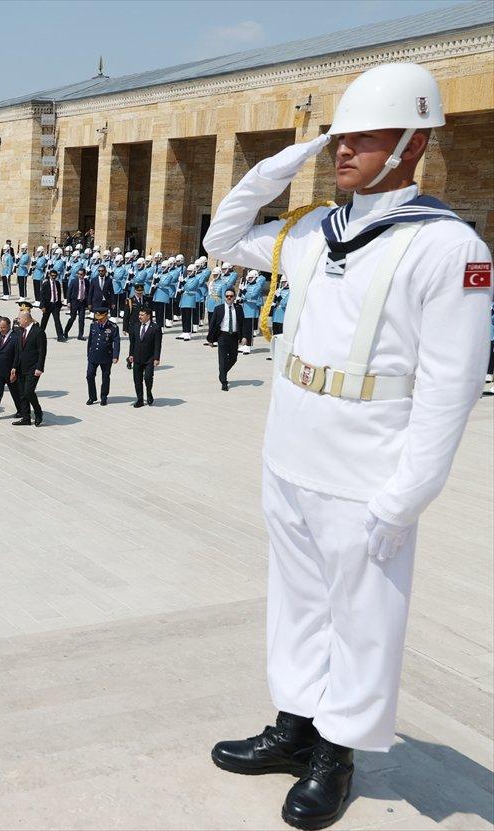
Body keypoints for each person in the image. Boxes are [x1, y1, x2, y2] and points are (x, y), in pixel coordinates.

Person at [203, 62, 492, 831]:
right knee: (296, 603)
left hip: (368, 465)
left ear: (411, 144)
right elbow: (221, 235)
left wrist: (409, 494)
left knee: (362, 619)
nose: (344, 151)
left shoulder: (445, 247)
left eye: (361, 138)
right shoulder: (310, 232)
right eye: (340, 137)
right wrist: (294, 155)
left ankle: (338, 749)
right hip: (293, 451)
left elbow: (449, 385)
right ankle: (295, 725)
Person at [11, 308, 46, 426]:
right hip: (21, 368)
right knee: (22, 394)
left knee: (28, 392)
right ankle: (26, 418)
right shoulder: (21, 331)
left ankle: (38, 412)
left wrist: (39, 368)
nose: (18, 320)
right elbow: (18, 351)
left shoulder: (38, 332)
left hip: (33, 368)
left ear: (26, 319)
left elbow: (42, 352)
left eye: (19, 318)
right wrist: (14, 367)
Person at [207, 287, 244, 390]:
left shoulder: (239, 308)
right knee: (222, 360)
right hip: (222, 336)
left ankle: (222, 373)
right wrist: (210, 339)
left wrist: (244, 337)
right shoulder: (218, 309)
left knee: (233, 358)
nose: (229, 298)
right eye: (227, 296)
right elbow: (213, 324)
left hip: (234, 336)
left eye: (231, 296)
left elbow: (242, 323)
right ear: (224, 297)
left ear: (234, 297)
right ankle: (224, 381)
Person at [127, 306, 161, 407]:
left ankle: (149, 392)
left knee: (148, 378)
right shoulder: (136, 326)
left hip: (149, 358)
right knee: (137, 380)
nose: (140, 316)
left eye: (142, 315)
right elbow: (132, 342)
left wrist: (156, 358)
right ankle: (140, 399)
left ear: (148, 316)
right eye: (139, 314)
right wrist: (131, 355)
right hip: (137, 357)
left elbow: (158, 345)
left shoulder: (155, 328)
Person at [85, 306, 120, 406]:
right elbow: (90, 340)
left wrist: (115, 356)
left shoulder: (113, 327)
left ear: (106, 316)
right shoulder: (93, 325)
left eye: (101, 318)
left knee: (105, 377)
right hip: (93, 356)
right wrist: (88, 353)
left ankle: (104, 396)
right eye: (98, 318)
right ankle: (92, 396)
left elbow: (116, 342)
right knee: (89, 376)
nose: (99, 320)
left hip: (106, 357)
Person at [63, 268, 89, 340]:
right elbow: (69, 292)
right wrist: (68, 302)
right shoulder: (73, 281)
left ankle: (80, 335)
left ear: (84, 274)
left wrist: (88, 303)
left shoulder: (86, 282)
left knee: (81, 320)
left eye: (81, 274)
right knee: (72, 318)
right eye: (79, 274)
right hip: (74, 302)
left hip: (82, 303)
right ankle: (65, 332)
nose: (80, 276)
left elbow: (88, 292)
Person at [40, 270, 65, 340]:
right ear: (49, 275)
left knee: (57, 321)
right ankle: (40, 335)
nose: (54, 277)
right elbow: (42, 296)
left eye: (55, 276)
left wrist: (59, 304)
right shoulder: (45, 284)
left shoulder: (57, 283)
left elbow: (59, 294)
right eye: (52, 276)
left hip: (55, 305)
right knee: (44, 321)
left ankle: (60, 336)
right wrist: (42, 306)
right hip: (47, 305)